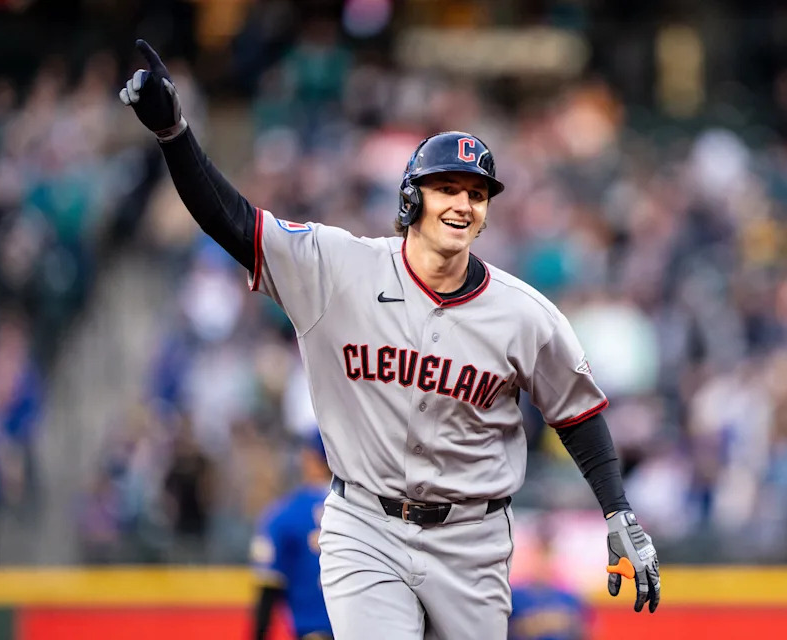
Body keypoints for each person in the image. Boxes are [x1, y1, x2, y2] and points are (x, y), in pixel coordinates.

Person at [119, 39, 660, 640]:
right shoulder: (339, 268)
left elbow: (578, 414)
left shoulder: (525, 313)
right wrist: (175, 135)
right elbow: (232, 220)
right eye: (446, 188)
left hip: (473, 540)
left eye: (475, 194)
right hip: (364, 523)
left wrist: (618, 511)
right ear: (412, 197)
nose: (462, 204)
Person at [250, 431, 333, 640]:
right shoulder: (367, 510)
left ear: (309, 458)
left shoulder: (284, 514)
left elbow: (268, 591)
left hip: (313, 631)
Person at [509, 520, 589, 640]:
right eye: (540, 552)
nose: (544, 560)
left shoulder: (570, 598)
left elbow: (583, 632)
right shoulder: (514, 596)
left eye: (548, 552)